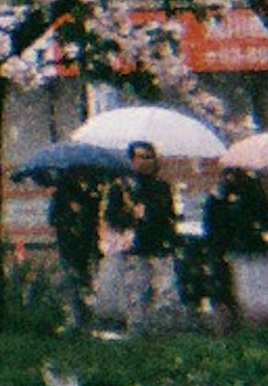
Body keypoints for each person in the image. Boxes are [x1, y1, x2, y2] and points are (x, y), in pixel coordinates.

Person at [97, 140, 179, 327]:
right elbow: (111, 217)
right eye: (142, 157)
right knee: (136, 290)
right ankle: (136, 326)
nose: (147, 162)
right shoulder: (123, 187)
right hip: (134, 248)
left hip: (158, 246)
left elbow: (168, 215)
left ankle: (159, 326)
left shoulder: (161, 187)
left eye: (150, 157)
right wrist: (131, 216)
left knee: (162, 291)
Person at [200, 165, 268, 328]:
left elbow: (266, 216)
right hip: (231, 248)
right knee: (235, 287)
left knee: (254, 285)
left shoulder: (253, 191)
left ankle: (256, 319)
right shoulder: (220, 194)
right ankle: (234, 320)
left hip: (250, 247)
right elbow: (213, 223)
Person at [47, 168, 107, 322]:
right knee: (73, 279)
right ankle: (76, 316)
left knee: (84, 279)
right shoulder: (61, 196)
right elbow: (53, 220)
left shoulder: (89, 195)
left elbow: (93, 219)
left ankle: (84, 314)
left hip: (86, 244)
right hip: (69, 244)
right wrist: (71, 215)